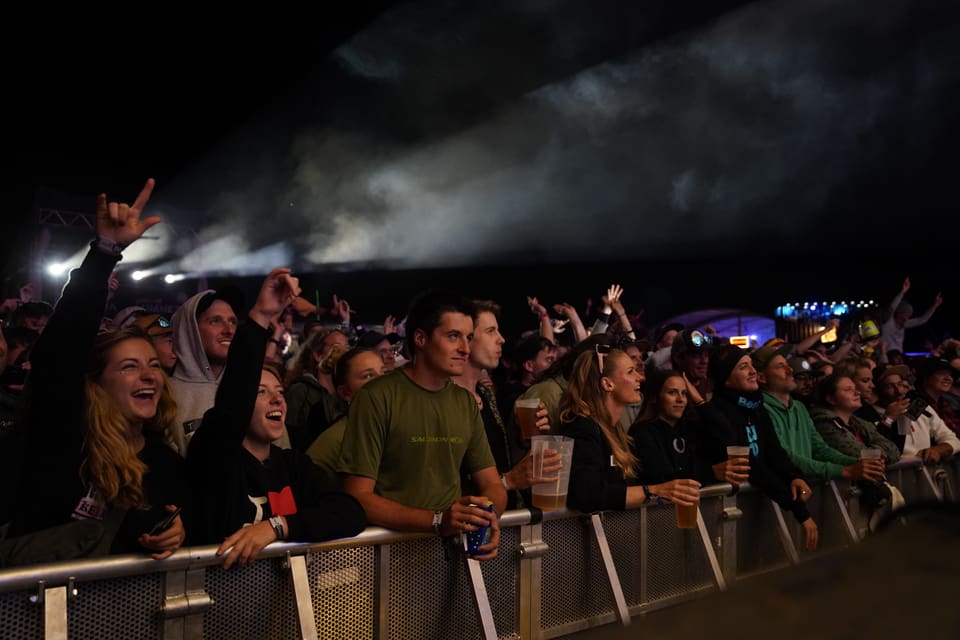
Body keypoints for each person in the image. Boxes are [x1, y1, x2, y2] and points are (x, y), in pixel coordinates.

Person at [7, 179, 186, 560]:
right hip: (34, 611)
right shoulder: (64, 437)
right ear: (97, 383)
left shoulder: (164, 461)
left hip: (122, 616)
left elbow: (165, 521)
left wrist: (174, 531)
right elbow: (61, 351)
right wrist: (105, 253)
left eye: (153, 365)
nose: (150, 375)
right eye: (129, 367)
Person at [185, 268, 366, 569]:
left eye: (279, 391)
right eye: (261, 392)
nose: (277, 399)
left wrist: (276, 527)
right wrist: (261, 316)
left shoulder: (292, 464)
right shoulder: (216, 457)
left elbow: (349, 512)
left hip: (278, 605)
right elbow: (231, 405)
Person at [339, 291, 505, 560]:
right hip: (386, 555)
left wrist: (486, 515)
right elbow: (357, 496)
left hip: (449, 556)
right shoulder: (377, 397)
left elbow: (492, 485)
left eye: (469, 337)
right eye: (453, 336)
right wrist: (437, 520)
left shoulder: (464, 401)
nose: (465, 348)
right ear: (420, 339)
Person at [697, 345, 818, 551]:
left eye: (752, 365)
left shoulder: (756, 407)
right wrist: (799, 510)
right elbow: (752, 465)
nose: (753, 371)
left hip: (754, 511)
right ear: (726, 377)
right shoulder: (719, 413)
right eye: (744, 367)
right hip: (723, 517)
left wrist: (793, 476)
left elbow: (774, 451)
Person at [561, 347, 700, 513]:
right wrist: (652, 491)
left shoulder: (614, 429)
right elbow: (585, 494)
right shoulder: (584, 428)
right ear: (607, 384)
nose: (639, 377)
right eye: (630, 372)